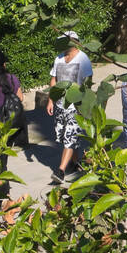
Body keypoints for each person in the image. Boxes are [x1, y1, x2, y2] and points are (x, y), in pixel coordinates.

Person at [47, 31, 92, 184]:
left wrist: (85, 104)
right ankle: (76, 163)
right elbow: (54, 79)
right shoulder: (58, 58)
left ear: (73, 42)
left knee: (70, 137)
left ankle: (60, 171)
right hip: (60, 105)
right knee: (65, 135)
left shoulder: (83, 58)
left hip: (75, 106)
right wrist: (51, 100)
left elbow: (88, 82)